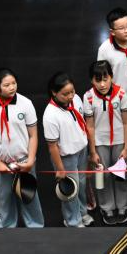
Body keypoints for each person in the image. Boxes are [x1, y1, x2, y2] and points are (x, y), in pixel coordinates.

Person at [0, 68, 44, 228]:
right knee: (4, 199)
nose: (12, 87)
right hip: (0, 164)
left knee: (29, 197)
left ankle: (36, 227)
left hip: (24, 162)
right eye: (7, 85)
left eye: (14, 83)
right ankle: (7, 228)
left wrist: (30, 161)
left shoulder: (25, 103)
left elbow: (33, 135)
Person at [43, 72, 98, 228]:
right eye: (65, 94)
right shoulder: (50, 115)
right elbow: (52, 146)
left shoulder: (76, 99)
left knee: (81, 184)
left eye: (72, 91)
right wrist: (60, 169)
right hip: (66, 156)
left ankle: (82, 212)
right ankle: (72, 221)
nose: (70, 96)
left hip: (81, 150)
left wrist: (91, 151)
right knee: (70, 189)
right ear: (54, 93)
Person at [83, 60, 127, 225]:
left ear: (111, 76)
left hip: (119, 141)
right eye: (98, 80)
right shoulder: (89, 97)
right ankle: (107, 207)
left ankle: (123, 206)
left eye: (106, 79)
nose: (102, 84)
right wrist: (92, 151)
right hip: (99, 143)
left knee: (121, 174)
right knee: (101, 176)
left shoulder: (122, 94)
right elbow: (90, 126)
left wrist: (126, 148)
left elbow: (126, 122)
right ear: (92, 80)